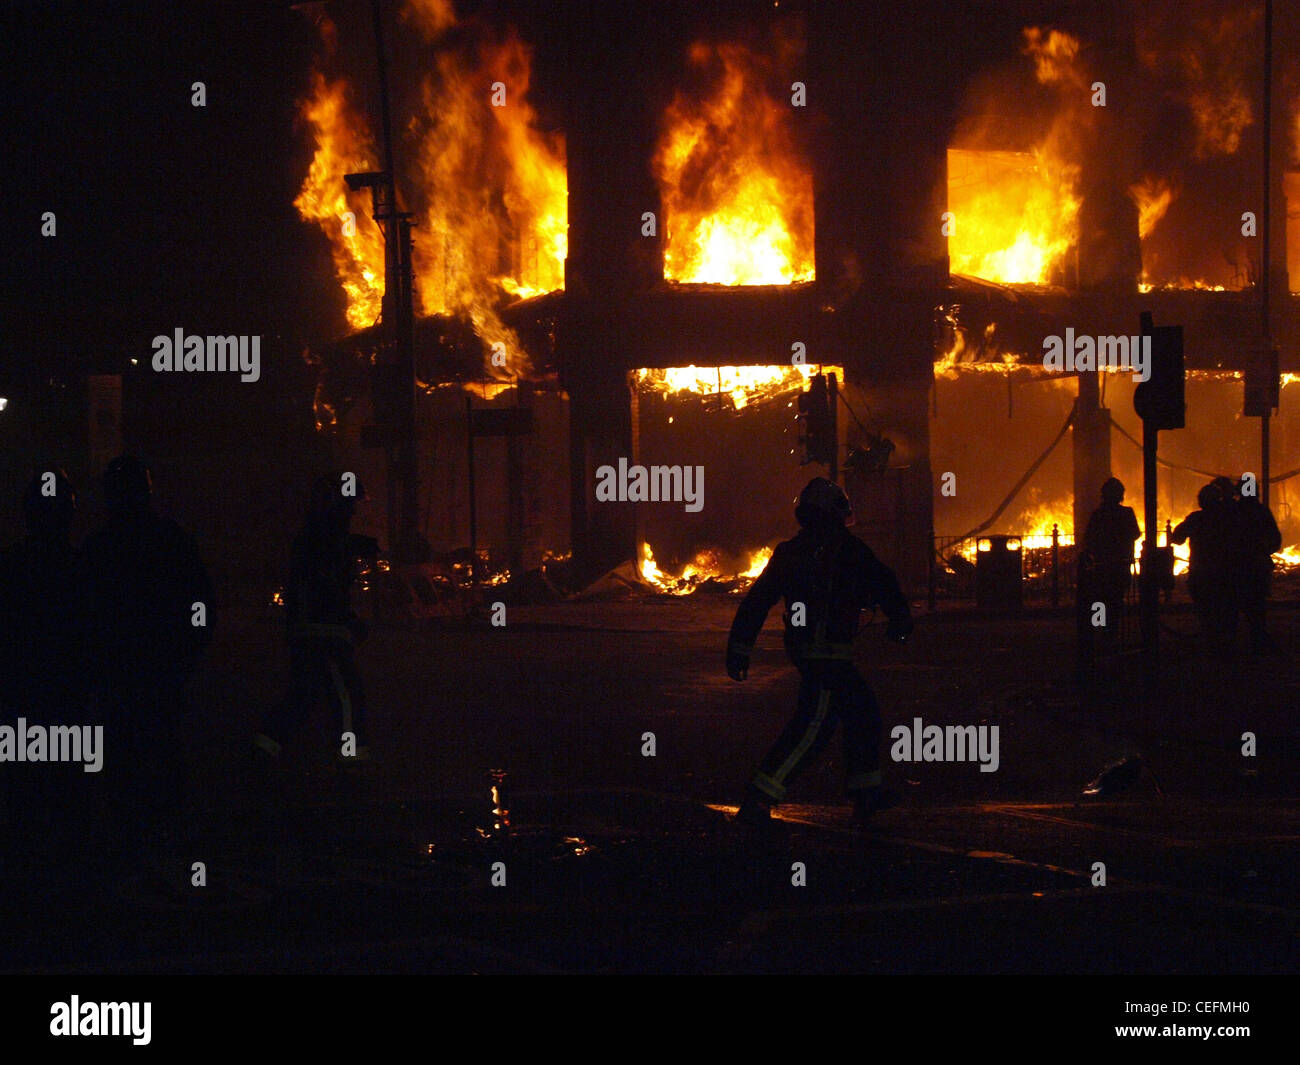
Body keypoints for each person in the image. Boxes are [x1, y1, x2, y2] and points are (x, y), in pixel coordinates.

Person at [726, 477, 913, 828]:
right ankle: (759, 797)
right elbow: (884, 583)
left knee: (862, 712)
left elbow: (757, 601)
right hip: (829, 656)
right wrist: (900, 619)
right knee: (814, 725)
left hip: (810, 650)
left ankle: (866, 792)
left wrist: (738, 650)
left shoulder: (791, 552)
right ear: (834, 514)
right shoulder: (847, 550)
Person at [83, 456, 214, 856]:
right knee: (161, 748)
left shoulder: (100, 547)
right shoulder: (171, 540)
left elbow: (82, 614)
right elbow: (200, 604)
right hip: (158, 670)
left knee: (126, 753)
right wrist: (187, 654)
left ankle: (132, 835)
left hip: (124, 672)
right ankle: (161, 832)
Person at [255, 473, 375, 763]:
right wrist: (346, 620)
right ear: (336, 503)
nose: (354, 511)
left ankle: (264, 747)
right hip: (323, 633)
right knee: (347, 693)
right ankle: (352, 756)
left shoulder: (317, 538)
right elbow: (326, 588)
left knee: (304, 694)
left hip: (313, 629)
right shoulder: (324, 542)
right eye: (350, 504)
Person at [1171, 481, 1234, 640]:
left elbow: (1177, 538)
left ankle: (1211, 638)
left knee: (1205, 608)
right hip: (1225, 571)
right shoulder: (1229, 518)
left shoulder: (1196, 518)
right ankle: (1225, 641)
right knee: (1225, 608)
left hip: (1201, 572)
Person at [1078, 477, 1140, 642]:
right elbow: (1135, 534)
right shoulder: (1127, 513)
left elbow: (1089, 539)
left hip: (1101, 567)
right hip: (1120, 566)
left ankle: (1099, 632)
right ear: (1121, 495)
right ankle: (1111, 633)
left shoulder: (1098, 515)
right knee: (1115, 600)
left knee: (1099, 600)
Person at [1229, 481, 1282, 652]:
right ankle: (1258, 640)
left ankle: (1228, 645)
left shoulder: (1232, 511)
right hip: (1256, 567)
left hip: (1235, 568)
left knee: (1232, 607)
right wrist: (1261, 551)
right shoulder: (1261, 512)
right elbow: (1275, 540)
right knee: (1256, 607)